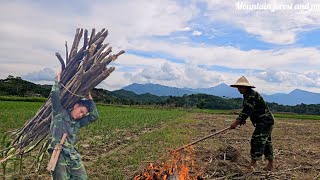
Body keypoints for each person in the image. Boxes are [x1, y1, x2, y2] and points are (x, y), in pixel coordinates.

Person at [48, 70, 99, 179]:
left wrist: (89, 98)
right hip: (59, 154)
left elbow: (94, 116)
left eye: (83, 114)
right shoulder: (59, 113)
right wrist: (58, 80)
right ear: (76, 106)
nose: (81, 115)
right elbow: (54, 95)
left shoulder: (77, 123)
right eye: (81, 111)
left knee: (82, 178)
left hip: (72, 155)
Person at [229, 76, 274, 171]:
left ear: (246, 87)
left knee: (256, 140)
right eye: (238, 87)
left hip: (265, 121)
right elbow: (248, 111)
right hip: (262, 122)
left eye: (241, 87)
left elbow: (246, 111)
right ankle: (270, 164)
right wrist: (242, 120)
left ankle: (253, 164)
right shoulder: (246, 95)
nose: (239, 89)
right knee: (266, 142)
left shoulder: (251, 95)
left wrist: (235, 123)